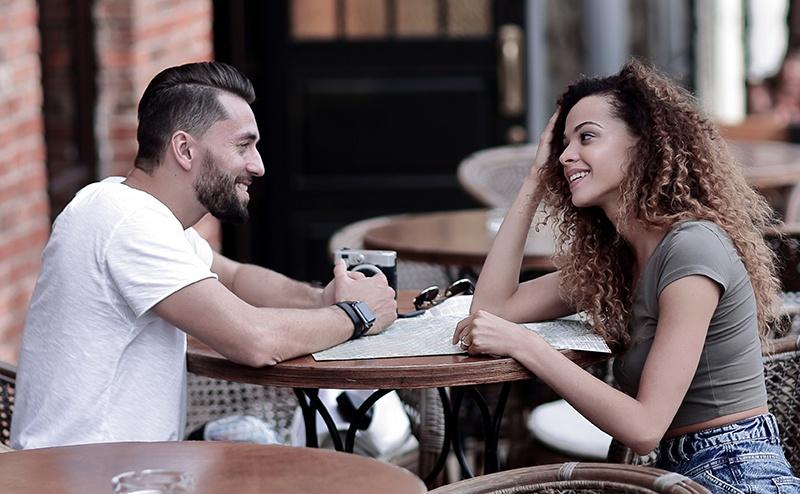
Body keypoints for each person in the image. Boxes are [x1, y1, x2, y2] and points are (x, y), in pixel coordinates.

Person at [11, 61, 397, 449]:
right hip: (87, 480)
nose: (258, 166)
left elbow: (236, 278)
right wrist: (357, 315)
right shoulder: (125, 221)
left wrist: (322, 297)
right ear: (184, 149)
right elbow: (254, 340)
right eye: (243, 145)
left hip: (111, 470)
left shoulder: (129, 210)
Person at [453, 60, 799, 491]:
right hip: (677, 474)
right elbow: (493, 310)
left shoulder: (692, 248)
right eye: (561, 144)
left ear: (643, 145)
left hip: (735, 473)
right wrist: (532, 182)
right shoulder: (614, 261)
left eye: (587, 137)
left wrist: (530, 347)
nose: (565, 155)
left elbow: (644, 427)